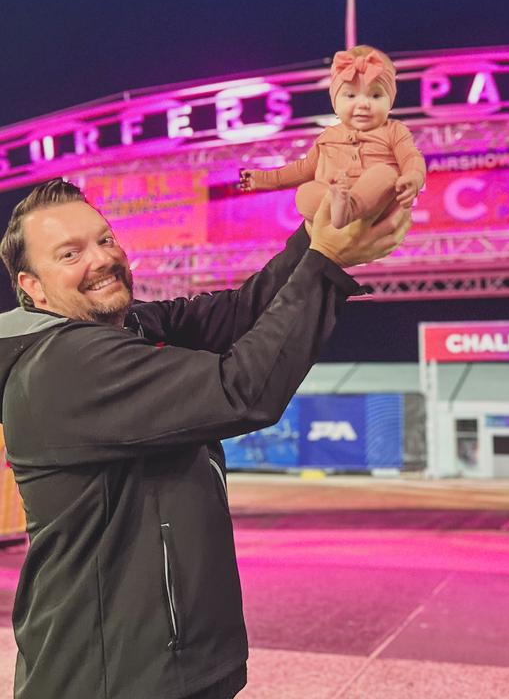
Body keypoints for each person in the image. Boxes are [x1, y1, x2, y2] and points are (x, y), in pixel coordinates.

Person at [0, 177, 409, 699]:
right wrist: (325, 260)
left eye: (104, 239)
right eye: (69, 253)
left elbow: (243, 314)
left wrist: (317, 232)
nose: (100, 259)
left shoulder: (131, 330)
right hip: (109, 679)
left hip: (168, 666)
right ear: (33, 288)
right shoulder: (65, 365)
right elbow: (242, 390)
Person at [240, 45, 427, 228]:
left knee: (385, 173)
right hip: (334, 198)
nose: (363, 104)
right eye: (351, 96)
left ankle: (349, 208)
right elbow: (302, 169)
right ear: (335, 103)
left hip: (376, 206)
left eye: (375, 96)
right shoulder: (328, 136)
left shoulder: (394, 130)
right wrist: (261, 179)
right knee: (305, 192)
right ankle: (340, 206)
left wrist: (413, 178)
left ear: (390, 101)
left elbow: (411, 157)